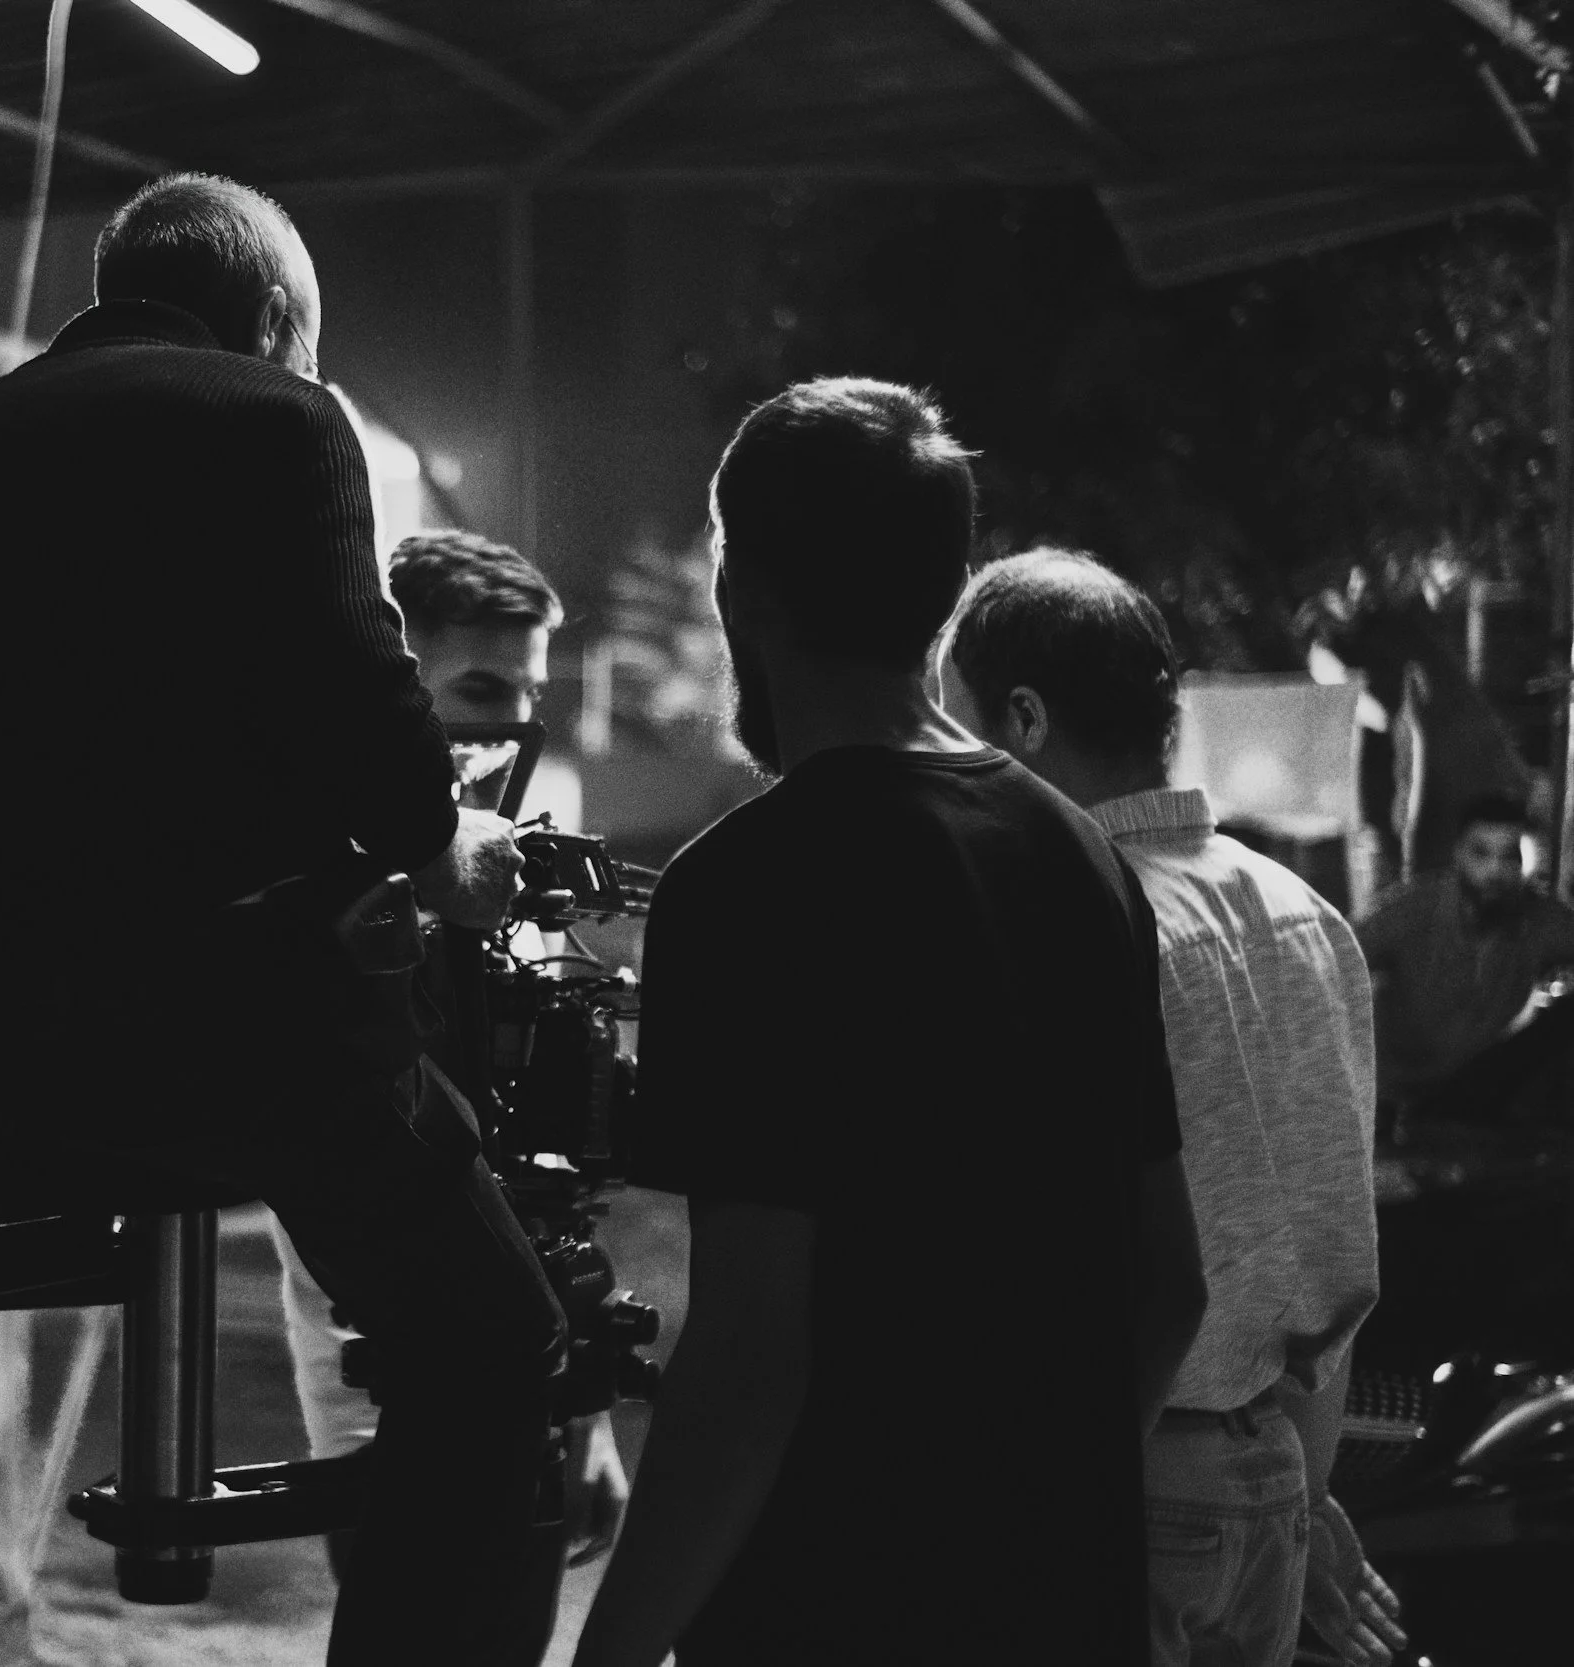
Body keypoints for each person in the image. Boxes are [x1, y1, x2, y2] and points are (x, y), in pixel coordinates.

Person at [0, 174, 567, 1665]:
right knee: (493, 1345)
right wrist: (443, 843)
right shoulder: (278, 419)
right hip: (211, 1037)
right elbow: (367, 705)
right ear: (275, 320)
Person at [572, 379, 1208, 1667]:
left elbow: (750, 1363)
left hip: (828, 1610)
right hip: (1062, 1613)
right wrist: (1041, 1515)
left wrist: (611, 1650)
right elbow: (1170, 1282)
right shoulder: (1081, 857)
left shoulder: (749, 890)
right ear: (940, 588)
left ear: (737, 587)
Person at [941, 548, 1407, 1667]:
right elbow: (1330, 1270)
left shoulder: (1070, 919)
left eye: (956, 727)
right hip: (1272, 1471)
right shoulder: (1301, 912)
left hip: (1124, 1472)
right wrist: (1300, 1486)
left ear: (1024, 716)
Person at [263, 531, 630, 1591]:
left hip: (525, 1385)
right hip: (373, 1402)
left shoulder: (517, 877)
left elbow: (556, 1186)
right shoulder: (332, 889)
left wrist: (588, 1413)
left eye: (527, 693)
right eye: (478, 686)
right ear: (396, 685)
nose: (507, 723)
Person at [1357, 793, 1574, 1132]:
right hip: (1389, 1091)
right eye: (1480, 853)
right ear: (1458, 853)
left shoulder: (1540, 919)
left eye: (1510, 857)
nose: (1495, 871)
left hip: (1468, 1092)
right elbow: (1336, 959)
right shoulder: (1415, 907)